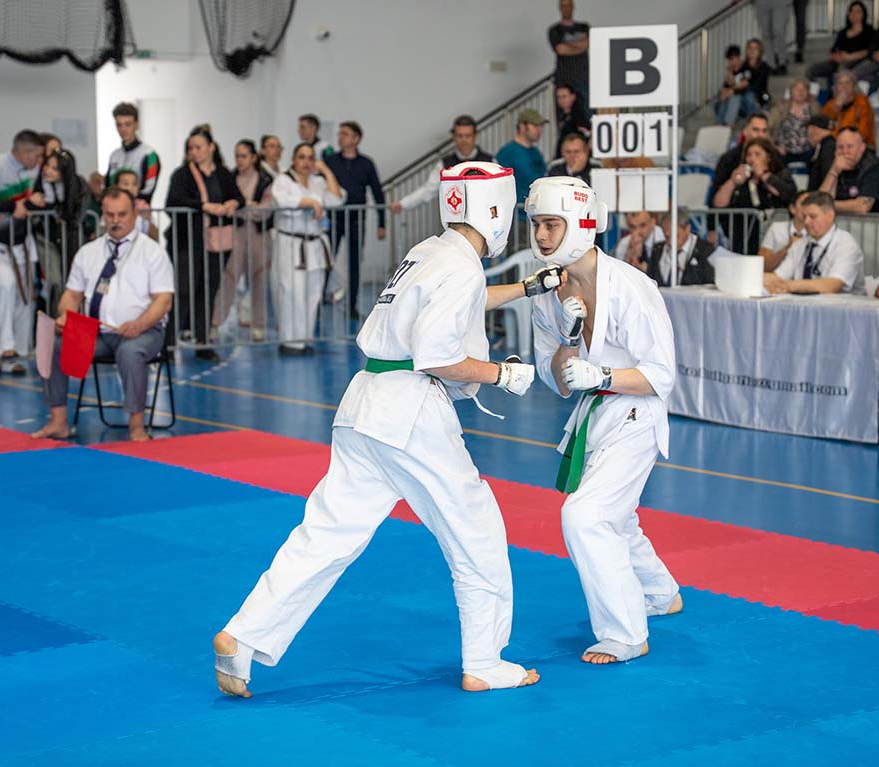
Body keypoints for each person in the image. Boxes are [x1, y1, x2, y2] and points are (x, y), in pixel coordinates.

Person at [213, 160, 559, 697]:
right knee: (477, 531)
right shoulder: (462, 267)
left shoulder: (430, 251)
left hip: (364, 406)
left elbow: (462, 298)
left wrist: (527, 287)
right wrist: (501, 374)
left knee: (327, 534)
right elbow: (438, 355)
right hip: (411, 412)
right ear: (494, 211)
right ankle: (485, 661)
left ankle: (243, 635)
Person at [526, 175, 682, 666]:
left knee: (586, 516)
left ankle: (625, 634)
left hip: (636, 412)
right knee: (617, 514)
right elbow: (558, 381)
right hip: (594, 414)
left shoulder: (632, 286)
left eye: (552, 224)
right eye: (536, 224)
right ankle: (658, 592)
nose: (542, 235)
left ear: (580, 224)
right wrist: (569, 338)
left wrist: (604, 374)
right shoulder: (546, 293)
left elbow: (662, 375)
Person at [30, 186, 174, 442]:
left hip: (144, 332)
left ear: (134, 214)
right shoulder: (89, 252)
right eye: (110, 215)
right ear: (102, 215)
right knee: (54, 344)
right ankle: (58, 422)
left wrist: (139, 324)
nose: (115, 221)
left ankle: (137, 427)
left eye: (122, 214)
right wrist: (65, 315)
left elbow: (163, 301)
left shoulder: (153, 252)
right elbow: (72, 294)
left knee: (130, 352)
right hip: (96, 333)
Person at [164, 126, 243, 360]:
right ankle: (168, 345)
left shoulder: (223, 174)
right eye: (191, 148)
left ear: (211, 147)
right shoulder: (182, 175)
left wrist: (233, 204)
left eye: (198, 147)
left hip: (216, 243)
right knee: (183, 291)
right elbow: (173, 201)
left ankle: (202, 341)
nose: (194, 152)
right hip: (187, 242)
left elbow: (237, 196)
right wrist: (204, 206)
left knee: (207, 291)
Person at [271, 143, 346, 355]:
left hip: (315, 244)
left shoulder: (317, 182)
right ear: (293, 160)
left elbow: (337, 199)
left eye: (310, 157)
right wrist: (310, 202)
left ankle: (305, 340)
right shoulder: (283, 180)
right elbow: (281, 200)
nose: (306, 162)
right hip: (291, 243)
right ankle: (290, 342)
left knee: (313, 293)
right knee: (291, 291)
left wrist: (326, 170)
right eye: (302, 157)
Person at [0, 129, 44, 375]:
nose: (38, 161)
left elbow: (38, 200)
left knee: (25, 296)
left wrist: (32, 203)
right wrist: (11, 206)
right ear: (24, 153)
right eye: (36, 156)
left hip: (23, 241)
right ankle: (5, 348)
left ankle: (18, 350)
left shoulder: (37, 170)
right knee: (5, 286)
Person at [211, 140, 274, 343]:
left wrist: (242, 207)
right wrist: (248, 205)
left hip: (259, 235)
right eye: (237, 155)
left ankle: (259, 325)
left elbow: (266, 211)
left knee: (259, 279)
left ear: (254, 157)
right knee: (228, 279)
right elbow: (227, 207)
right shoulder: (229, 178)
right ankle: (215, 324)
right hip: (235, 233)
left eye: (244, 156)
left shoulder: (265, 179)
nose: (239, 160)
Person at [323, 121, 386, 319]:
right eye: (340, 134)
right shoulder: (330, 161)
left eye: (345, 134)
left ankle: (351, 305)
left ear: (356, 138)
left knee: (355, 264)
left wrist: (382, 223)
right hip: (333, 219)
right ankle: (318, 303)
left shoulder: (366, 163)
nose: (341, 137)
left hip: (356, 220)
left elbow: (377, 192)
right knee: (325, 260)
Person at [764, 191, 864, 295]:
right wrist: (757, 280)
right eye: (804, 216)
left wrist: (789, 285)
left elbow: (832, 285)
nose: (806, 222)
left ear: (830, 216)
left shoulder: (846, 245)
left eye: (812, 216)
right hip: (804, 303)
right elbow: (778, 276)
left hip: (843, 304)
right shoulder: (800, 244)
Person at [391, 115, 493, 214]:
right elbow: (428, 190)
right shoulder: (445, 165)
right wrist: (403, 204)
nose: (464, 140)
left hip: (485, 219)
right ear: (453, 137)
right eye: (460, 136)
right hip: (455, 221)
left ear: (475, 136)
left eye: (468, 136)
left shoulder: (490, 163)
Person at [711, 137, 797, 253]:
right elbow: (719, 203)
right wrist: (732, 181)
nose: (752, 159)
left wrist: (763, 176)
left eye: (757, 154)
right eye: (749, 155)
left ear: (768, 157)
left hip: (773, 241)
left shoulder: (781, 174)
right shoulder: (742, 181)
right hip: (743, 239)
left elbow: (788, 195)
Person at [32, 148, 94, 303]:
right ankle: (56, 314)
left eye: (54, 168)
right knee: (55, 282)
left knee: (75, 282)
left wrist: (60, 214)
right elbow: (33, 210)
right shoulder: (40, 183)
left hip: (73, 239)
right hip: (48, 239)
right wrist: (34, 202)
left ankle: (73, 316)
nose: (48, 170)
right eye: (47, 165)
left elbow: (77, 216)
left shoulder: (79, 185)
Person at [819, 126, 879, 213]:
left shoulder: (875, 167)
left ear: (862, 148)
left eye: (850, 146)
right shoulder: (835, 164)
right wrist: (834, 172)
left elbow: (863, 207)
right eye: (840, 147)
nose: (845, 152)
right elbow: (822, 198)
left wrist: (827, 206)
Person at [104, 103, 161, 203]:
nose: (123, 129)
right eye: (119, 125)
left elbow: (148, 190)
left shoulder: (149, 155)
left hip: (139, 209)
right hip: (114, 209)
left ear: (136, 125)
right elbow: (108, 186)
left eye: (128, 124)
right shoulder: (114, 155)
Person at [808, 1, 875, 84]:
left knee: (841, 71)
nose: (854, 14)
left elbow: (869, 51)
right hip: (838, 61)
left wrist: (849, 57)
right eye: (851, 11)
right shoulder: (843, 32)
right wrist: (836, 57)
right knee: (812, 70)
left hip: (857, 62)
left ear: (863, 14)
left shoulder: (869, 31)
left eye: (858, 11)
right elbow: (833, 50)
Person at [710, 112, 772, 201]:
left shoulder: (775, 158)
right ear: (745, 131)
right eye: (755, 130)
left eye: (764, 131)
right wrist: (733, 181)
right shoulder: (728, 159)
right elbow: (715, 202)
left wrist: (768, 178)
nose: (760, 135)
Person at [647, 206, 716, 286]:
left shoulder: (706, 251)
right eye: (667, 237)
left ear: (687, 229)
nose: (670, 242)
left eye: (676, 236)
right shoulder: (657, 250)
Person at [496, 110, 548, 213]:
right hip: (518, 213)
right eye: (535, 126)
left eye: (540, 126)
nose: (539, 130)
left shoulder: (536, 153)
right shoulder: (507, 153)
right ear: (522, 126)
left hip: (535, 211)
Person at [715, 40, 770, 126]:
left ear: (760, 51)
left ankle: (730, 124)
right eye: (750, 48)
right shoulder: (742, 66)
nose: (752, 50)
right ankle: (720, 123)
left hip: (757, 101)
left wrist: (733, 91)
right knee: (722, 95)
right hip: (742, 101)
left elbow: (754, 87)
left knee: (742, 96)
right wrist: (726, 89)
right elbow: (731, 83)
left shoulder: (763, 66)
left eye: (755, 48)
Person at [769, 78, 821, 167]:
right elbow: (769, 127)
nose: (800, 92)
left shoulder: (815, 108)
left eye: (804, 89)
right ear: (791, 91)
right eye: (797, 89)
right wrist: (775, 146)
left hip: (808, 150)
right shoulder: (780, 107)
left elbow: (821, 129)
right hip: (784, 151)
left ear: (808, 92)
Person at [548, 0, 590, 107]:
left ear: (573, 7)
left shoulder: (584, 27)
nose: (566, 8)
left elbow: (588, 44)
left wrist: (568, 46)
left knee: (585, 112)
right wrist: (580, 45)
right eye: (563, 6)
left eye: (568, 5)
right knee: (565, 113)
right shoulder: (554, 30)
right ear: (560, 8)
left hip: (583, 78)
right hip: (564, 80)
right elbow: (561, 50)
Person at [821, 69, 876, 148]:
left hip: (860, 145)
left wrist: (832, 134)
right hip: (836, 143)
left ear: (854, 86)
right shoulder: (831, 103)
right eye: (840, 83)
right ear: (836, 87)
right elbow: (823, 123)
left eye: (848, 83)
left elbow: (863, 132)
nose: (844, 86)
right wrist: (836, 107)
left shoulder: (862, 102)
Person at [759, 189, 811, 272]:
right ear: (792, 208)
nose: (809, 208)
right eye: (804, 203)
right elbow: (763, 266)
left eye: (812, 204)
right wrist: (786, 249)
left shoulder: (818, 231)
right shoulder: (776, 228)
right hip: (777, 276)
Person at [114, 169, 158, 241]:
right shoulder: (110, 207)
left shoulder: (143, 206)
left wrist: (148, 219)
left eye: (134, 184)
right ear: (117, 186)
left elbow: (155, 237)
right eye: (125, 184)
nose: (130, 188)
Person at [554, 83, 591, 158]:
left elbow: (588, 134)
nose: (561, 100)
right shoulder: (563, 117)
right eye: (558, 97)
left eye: (564, 96)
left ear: (573, 97)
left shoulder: (579, 117)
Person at [755, 0, 791, 74]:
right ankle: (771, 64)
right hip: (762, 3)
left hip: (780, 2)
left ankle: (782, 62)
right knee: (766, 33)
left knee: (778, 31)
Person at [806, 114, 838, 189]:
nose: (807, 132)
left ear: (814, 129)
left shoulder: (828, 148)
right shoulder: (823, 145)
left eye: (808, 128)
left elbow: (827, 175)